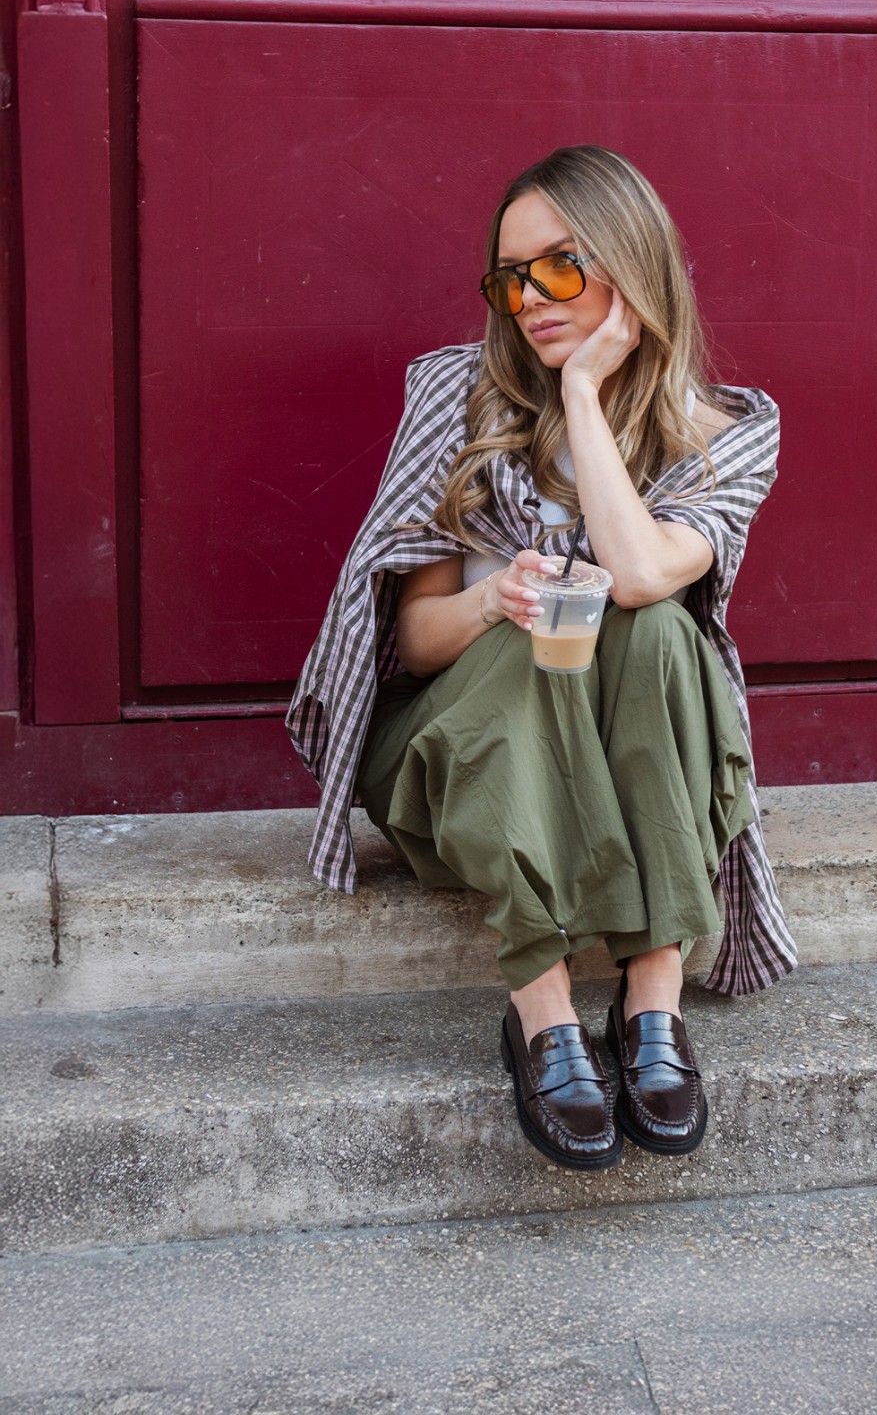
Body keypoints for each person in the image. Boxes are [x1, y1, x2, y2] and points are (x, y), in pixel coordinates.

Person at [286, 144, 796, 1173]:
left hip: (622, 749)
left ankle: (653, 995)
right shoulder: (455, 398)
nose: (530, 300)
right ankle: (544, 1010)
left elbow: (649, 572)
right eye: (511, 278)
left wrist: (581, 399)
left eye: (561, 266)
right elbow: (414, 642)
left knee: (651, 626)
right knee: (532, 645)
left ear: (630, 262)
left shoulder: (727, 433)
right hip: (460, 754)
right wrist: (489, 601)